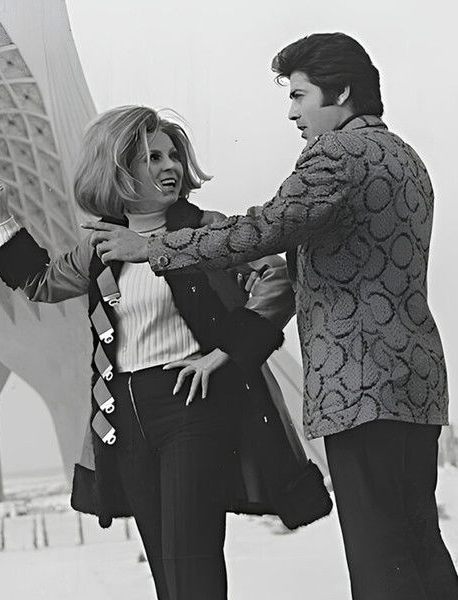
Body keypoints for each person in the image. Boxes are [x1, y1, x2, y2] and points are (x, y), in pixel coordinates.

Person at [84, 34, 458, 600]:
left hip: (359, 385)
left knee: (380, 557)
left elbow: (264, 229)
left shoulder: (337, 154)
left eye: (299, 96)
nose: (292, 112)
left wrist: (154, 248)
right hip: (416, 380)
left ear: (342, 92)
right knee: (420, 544)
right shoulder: (405, 157)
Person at [0, 105, 331, 600]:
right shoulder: (101, 244)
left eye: (173, 156)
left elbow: (277, 277)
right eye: (153, 158)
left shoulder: (204, 229)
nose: (171, 167)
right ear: (119, 169)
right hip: (123, 414)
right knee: (165, 571)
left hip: (190, 403)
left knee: (190, 562)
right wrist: (2, 216)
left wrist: (223, 354)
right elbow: (40, 282)